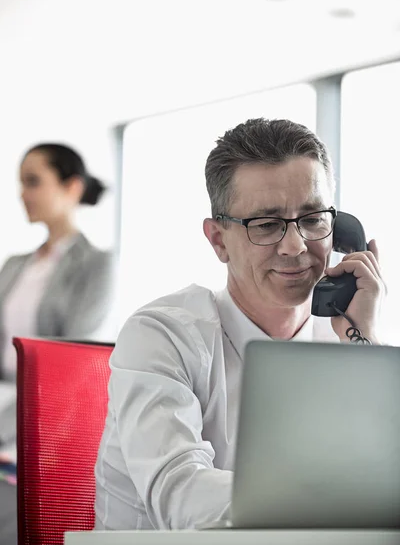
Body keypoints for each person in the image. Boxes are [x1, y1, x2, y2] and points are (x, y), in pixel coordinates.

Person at [94, 118, 385, 531]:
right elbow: (180, 496)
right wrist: (340, 500)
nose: (295, 246)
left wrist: (364, 344)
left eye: (313, 218)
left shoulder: (345, 337)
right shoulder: (162, 335)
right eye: (266, 225)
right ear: (218, 240)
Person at [0, 142, 115, 382]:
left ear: (72, 187)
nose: (22, 194)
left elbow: (79, 351)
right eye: (21, 183)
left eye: (32, 182)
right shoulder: (13, 265)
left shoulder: (97, 264)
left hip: (48, 400)